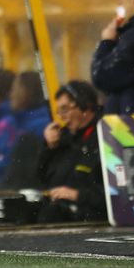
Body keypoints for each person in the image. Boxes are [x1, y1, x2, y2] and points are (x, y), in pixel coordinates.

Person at [36, 80, 106, 223]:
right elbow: (41, 178)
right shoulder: (64, 139)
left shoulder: (107, 136)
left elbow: (117, 194)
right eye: (59, 111)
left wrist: (77, 195)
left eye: (65, 109)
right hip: (60, 214)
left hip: (91, 219)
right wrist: (49, 148)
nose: (61, 117)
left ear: (85, 106)